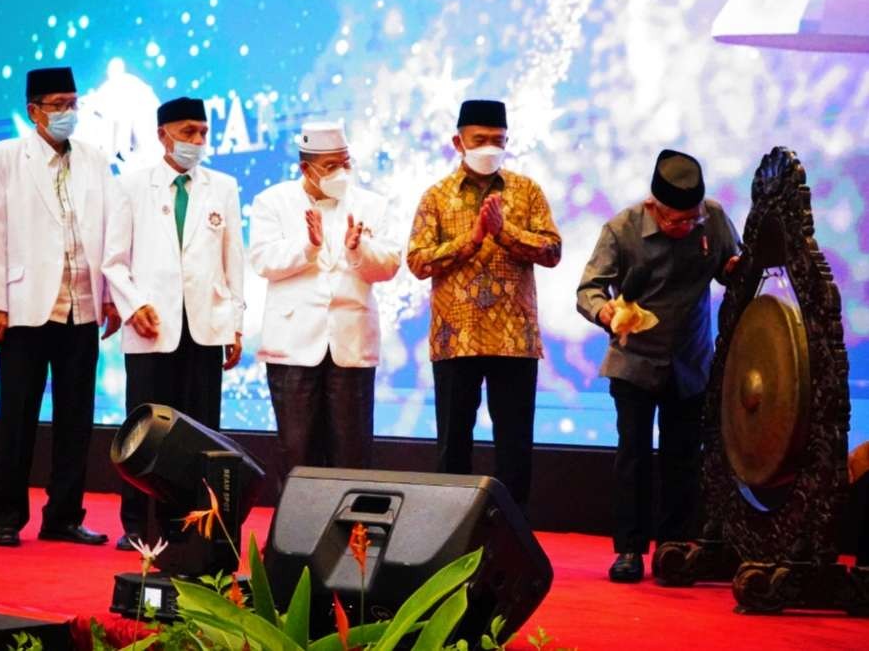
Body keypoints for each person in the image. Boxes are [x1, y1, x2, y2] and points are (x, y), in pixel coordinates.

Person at [0, 67, 124, 547]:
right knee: (17, 415)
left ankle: (63, 516)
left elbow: (110, 231)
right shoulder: (2, 157)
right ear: (33, 110)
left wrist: (109, 295)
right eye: (57, 104)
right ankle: (7, 516)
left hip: (80, 307)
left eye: (72, 103)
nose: (67, 113)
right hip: (23, 309)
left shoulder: (95, 159)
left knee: (76, 419)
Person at [577, 149, 741, 582]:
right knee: (633, 457)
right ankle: (629, 550)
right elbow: (588, 289)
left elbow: (731, 268)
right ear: (654, 206)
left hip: (689, 361)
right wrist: (605, 312)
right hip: (634, 361)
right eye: (675, 220)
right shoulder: (622, 227)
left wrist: (736, 267)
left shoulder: (714, 218)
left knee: (682, 458)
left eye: (692, 219)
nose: (685, 227)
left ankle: (672, 548)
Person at [103, 97, 245, 551]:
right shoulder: (131, 186)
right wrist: (133, 305)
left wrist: (235, 323)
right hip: (151, 326)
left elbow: (233, 261)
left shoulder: (222, 186)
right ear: (163, 133)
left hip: (205, 326)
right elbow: (113, 261)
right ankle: (137, 525)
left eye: (203, 132)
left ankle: (191, 523)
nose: (197, 142)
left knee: (201, 431)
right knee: (146, 429)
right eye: (188, 132)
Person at [407, 100, 561, 510]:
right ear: (458, 142)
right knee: (453, 446)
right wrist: (472, 239)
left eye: (498, 140)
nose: (490, 147)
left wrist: (504, 231)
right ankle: (452, 537)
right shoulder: (436, 197)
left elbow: (552, 250)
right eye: (480, 140)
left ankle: (512, 541)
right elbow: (419, 261)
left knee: (515, 449)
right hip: (456, 338)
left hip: (515, 339)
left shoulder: (527, 191)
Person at [250, 121, 401, 484]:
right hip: (293, 343)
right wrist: (309, 247)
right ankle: (299, 538)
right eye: (331, 166)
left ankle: (353, 539)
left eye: (345, 163)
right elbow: (263, 260)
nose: (342, 173)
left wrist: (358, 249)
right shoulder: (272, 201)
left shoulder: (371, 203)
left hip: (351, 343)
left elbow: (390, 264)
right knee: (298, 453)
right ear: (306, 168)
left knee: (353, 453)